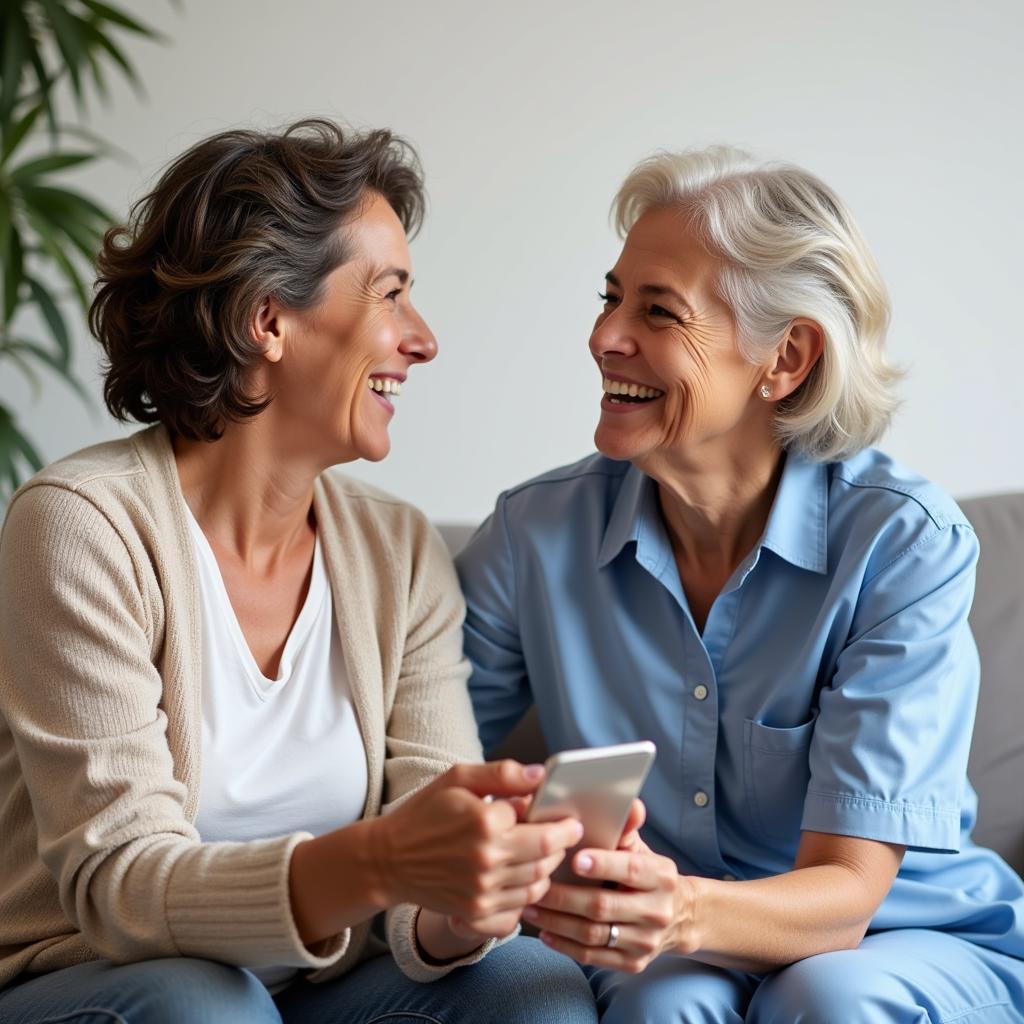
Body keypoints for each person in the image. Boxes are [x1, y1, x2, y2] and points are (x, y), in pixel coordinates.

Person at [0, 119, 597, 1024]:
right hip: (97, 976)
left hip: (318, 987)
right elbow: (118, 883)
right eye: (391, 295)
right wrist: (385, 860)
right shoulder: (84, 524)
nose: (422, 338)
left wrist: (477, 891)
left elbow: (420, 910)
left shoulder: (399, 552)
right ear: (267, 319)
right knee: (208, 1005)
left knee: (533, 987)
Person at [457, 145, 1024, 1022]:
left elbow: (848, 893)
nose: (606, 337)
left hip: (902, 936)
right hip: (663, 942)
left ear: (786, 358)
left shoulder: (902, 541)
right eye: (611, 298)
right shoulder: (535, 533)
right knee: (662, 1007)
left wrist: (677, 907)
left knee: (831, 997)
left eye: (658, 311)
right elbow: (421, 766)